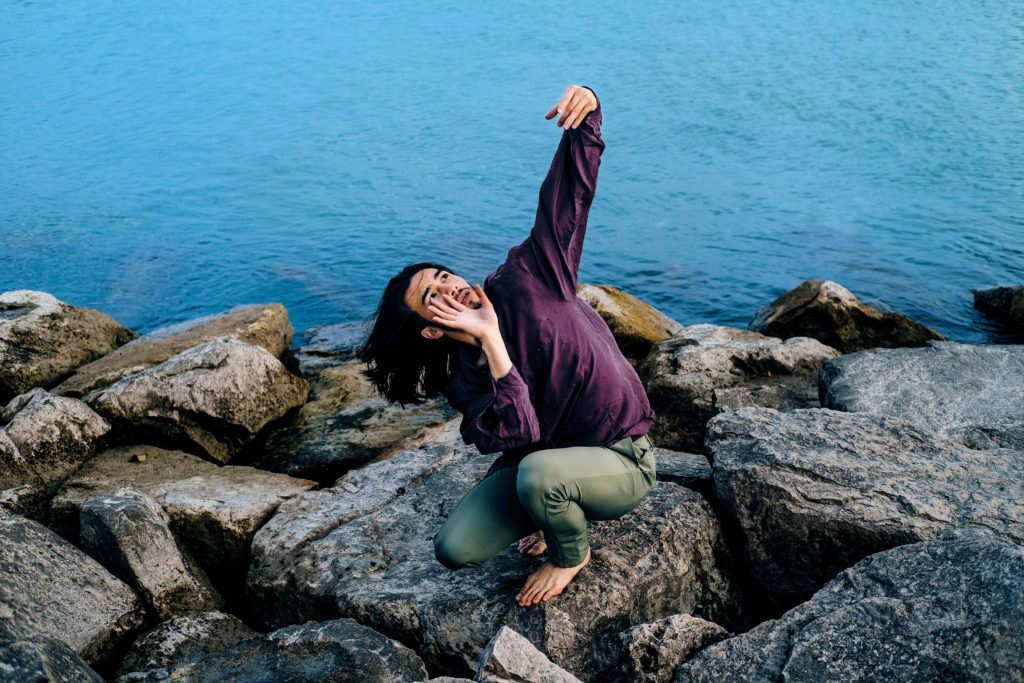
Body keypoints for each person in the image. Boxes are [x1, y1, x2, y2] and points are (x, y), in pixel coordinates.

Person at [359, 84, 656, 607]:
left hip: (621, 456)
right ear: (431, 329)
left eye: (445, 274)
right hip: (546, 467)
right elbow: (518, 437)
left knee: (542, 476)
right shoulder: (462, 379)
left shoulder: (527, 277)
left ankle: (571, 552)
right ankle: (555, 505)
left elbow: (565, 202)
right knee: (455, 547)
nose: (451, 285)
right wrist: (492, 339)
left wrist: (587, 111)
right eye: (434, 294)